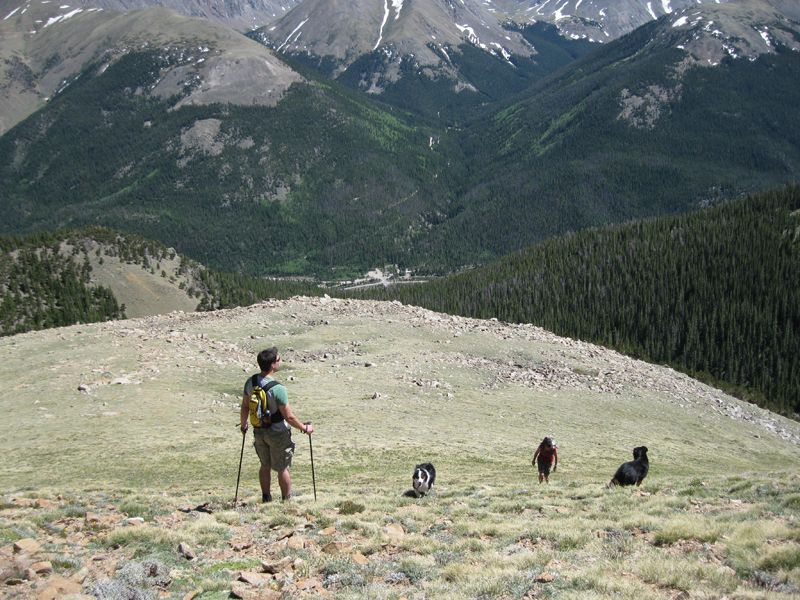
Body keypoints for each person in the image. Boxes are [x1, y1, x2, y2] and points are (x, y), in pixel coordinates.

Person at [240, 347, 313, 502]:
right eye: (278, 360)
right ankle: (286, 500)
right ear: (272, 365)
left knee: (264, 465)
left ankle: (266, 497)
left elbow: (245, 406)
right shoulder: (278, 388)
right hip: (278, 432)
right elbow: (289, 417)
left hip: (259, 430)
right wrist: (305, 428)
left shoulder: (251, 381)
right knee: (282, 468)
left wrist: (243, 425)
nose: (280, 362)